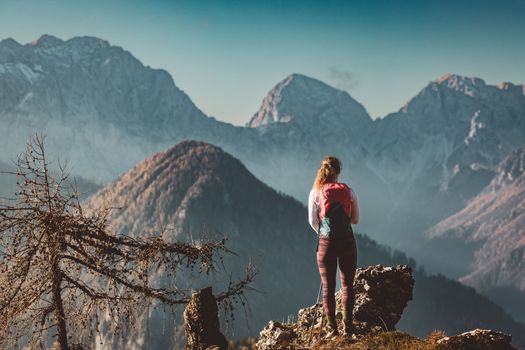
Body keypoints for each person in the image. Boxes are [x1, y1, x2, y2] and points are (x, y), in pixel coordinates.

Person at [308, 156, 359, 338]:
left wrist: (324, 235)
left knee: (328, 287)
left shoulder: (315, 193)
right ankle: (348, 327)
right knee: (347, 286)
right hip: (346, 241)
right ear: (338, 172)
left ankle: (332, 329)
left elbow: (313, 221)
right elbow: (355, 220)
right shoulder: (349, 192)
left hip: (325, 243)